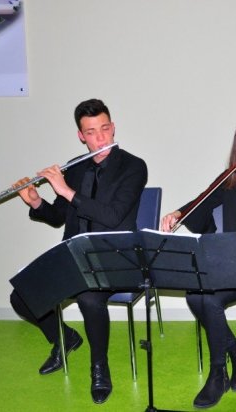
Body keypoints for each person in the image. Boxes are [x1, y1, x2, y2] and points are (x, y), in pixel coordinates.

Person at [9, 98, 147, 404]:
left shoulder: (134, 167)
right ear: (81, 136)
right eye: (92, 132)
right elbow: (58, 217)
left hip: (116, 257)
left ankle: (99, 367)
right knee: (20, 296)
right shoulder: (75, 168)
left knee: (88, 297)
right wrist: (36, 202)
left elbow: (113, 216)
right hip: (74, 256)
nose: (101, 138)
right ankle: (65, 338)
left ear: (113, 127)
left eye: (105, 129)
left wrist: (66, 191)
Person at [160, 112, 236, 409]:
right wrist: (178, 214)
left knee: (209, 299)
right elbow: (204, 199)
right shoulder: (231, 173)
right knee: (194, 294)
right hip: (230, 262)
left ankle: (218, 373)